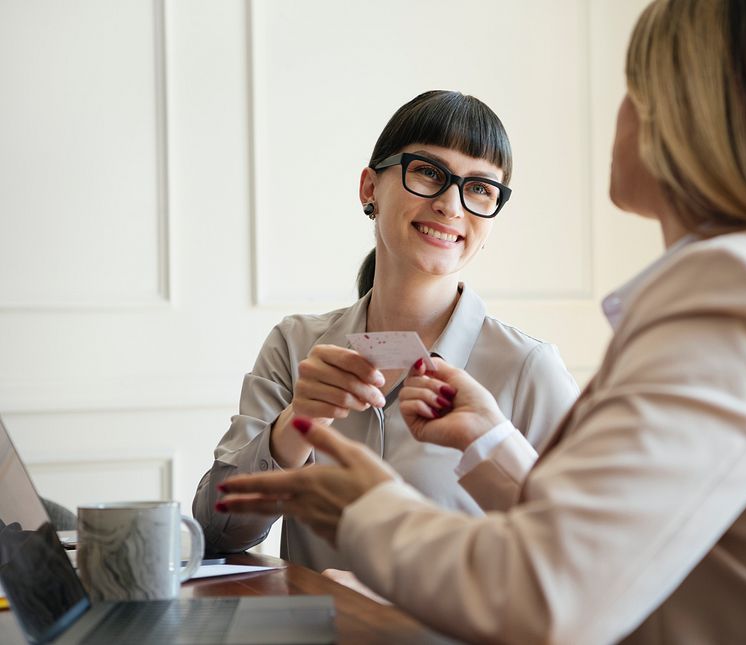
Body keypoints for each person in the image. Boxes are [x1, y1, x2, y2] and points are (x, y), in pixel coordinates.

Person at [216, 1, 746, 643]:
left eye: (634, 89)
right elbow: (624, 545)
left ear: (688, 115)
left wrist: (365, 508)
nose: (619, 113)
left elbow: (548, 594)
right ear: (370, 188)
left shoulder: (735, 295)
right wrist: (493, 440)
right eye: (430, 176)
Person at [194, 90, 579, 572]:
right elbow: (213, 531)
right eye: (428, 172)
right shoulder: (294, 346)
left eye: (480, 187)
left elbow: (581, 556)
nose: (450, 205)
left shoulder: (530, 369)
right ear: (369, 189)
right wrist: (296, 425)